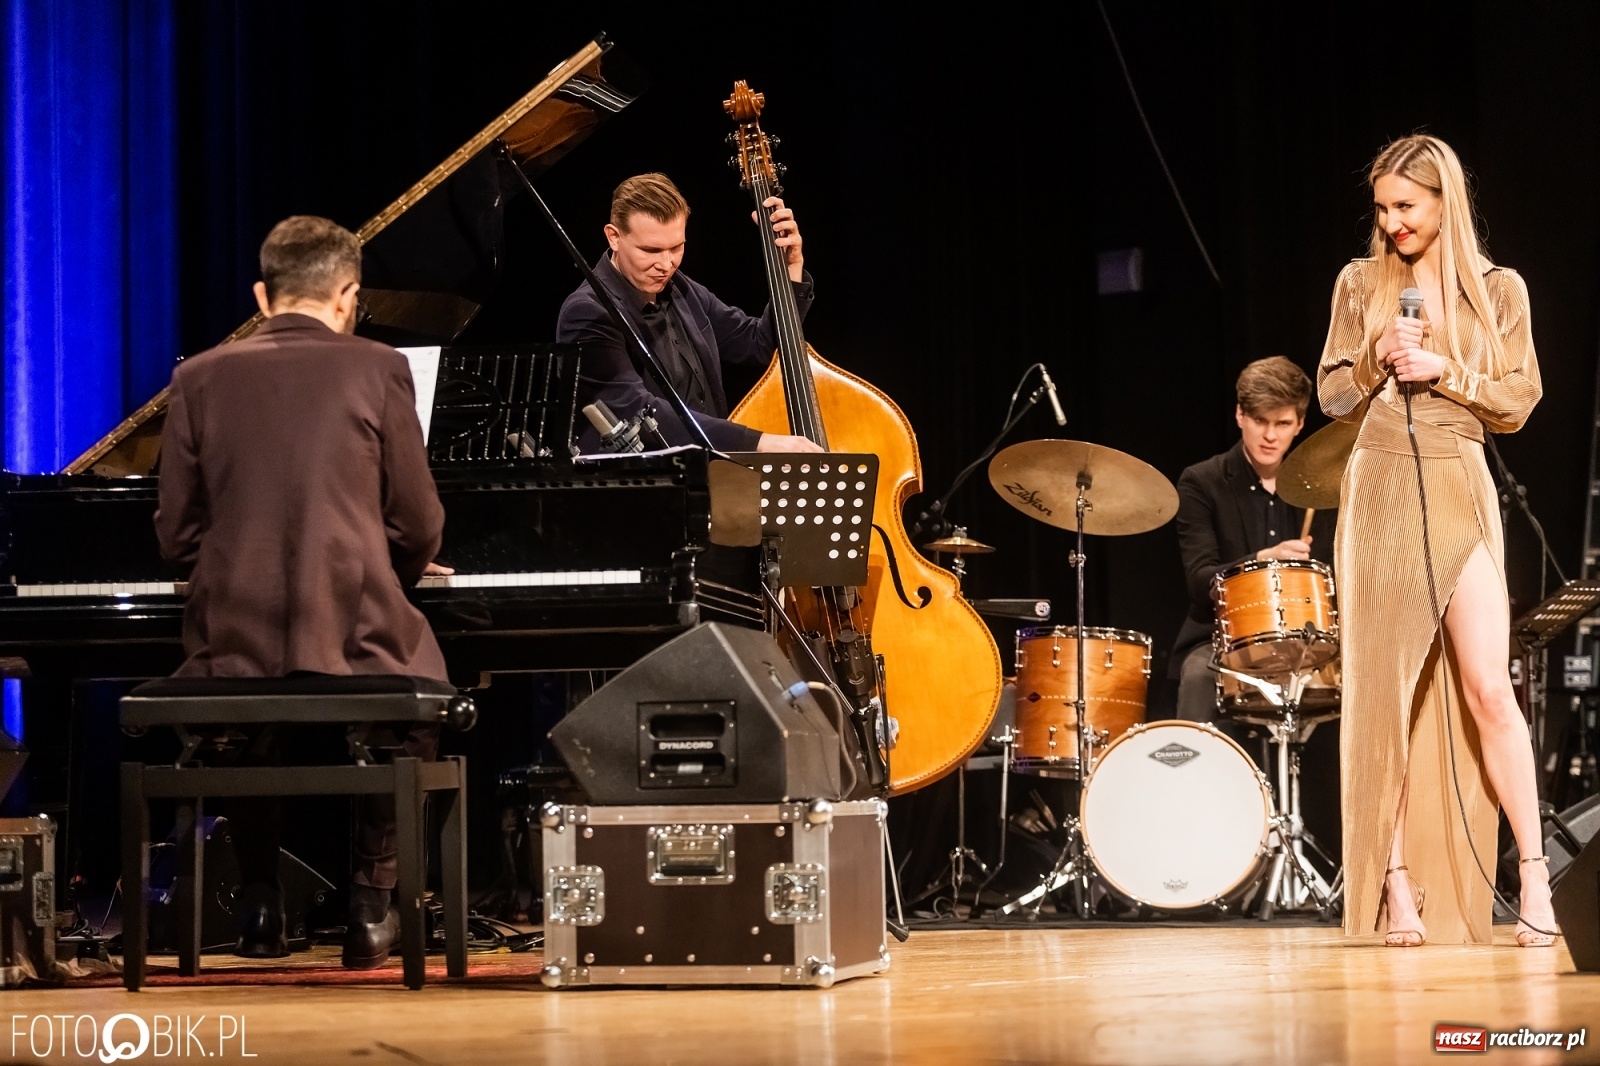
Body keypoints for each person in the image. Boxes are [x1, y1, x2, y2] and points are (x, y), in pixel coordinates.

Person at [155, 215, 448, 968]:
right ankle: (371, 902)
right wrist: (387, 574)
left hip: (235, 626)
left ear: (262, 293)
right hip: (353, 621)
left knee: (238, 715)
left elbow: (177, 535)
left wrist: (231, 574)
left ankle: (258, 901)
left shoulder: (197, 377)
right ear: (348, 295)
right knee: (419, 698)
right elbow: (418, 524)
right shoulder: (379, 367)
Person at [1318, 134, 1550, 947]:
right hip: (1379, 483)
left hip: (1459, 474)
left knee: (1489, 685)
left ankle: (1533, 879)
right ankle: (1396, 887)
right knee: (1385, 696)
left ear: (1444, 199)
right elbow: (1331, 392)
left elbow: (1520, 398)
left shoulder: (1498, 289)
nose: (1392, 223)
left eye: (1405, 207)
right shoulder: (1361, 282)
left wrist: (1444, 371)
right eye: (1382, 209)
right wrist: (1378, 362)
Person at [556, 172, 821, 453]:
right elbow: (637, 410)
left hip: (704, 477)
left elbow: (758, 343)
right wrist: (756, 441)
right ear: (614, 237)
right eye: (651, 250)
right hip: (640, 488)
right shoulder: (587, 313)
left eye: (676, 247)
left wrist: (790, 268)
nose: (667, 264)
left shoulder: (681, 287)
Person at [1171, 357, 1335, 722]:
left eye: (1283, 423)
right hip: (1221, 639)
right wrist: (1262, 561)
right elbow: (1199, 583)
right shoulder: (1202, 482)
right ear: (1240, 415)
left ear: (1300, 424)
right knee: (1198, 676)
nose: (1271, 435)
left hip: (1307, 638)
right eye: (1260, 421)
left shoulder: (1319, 487)